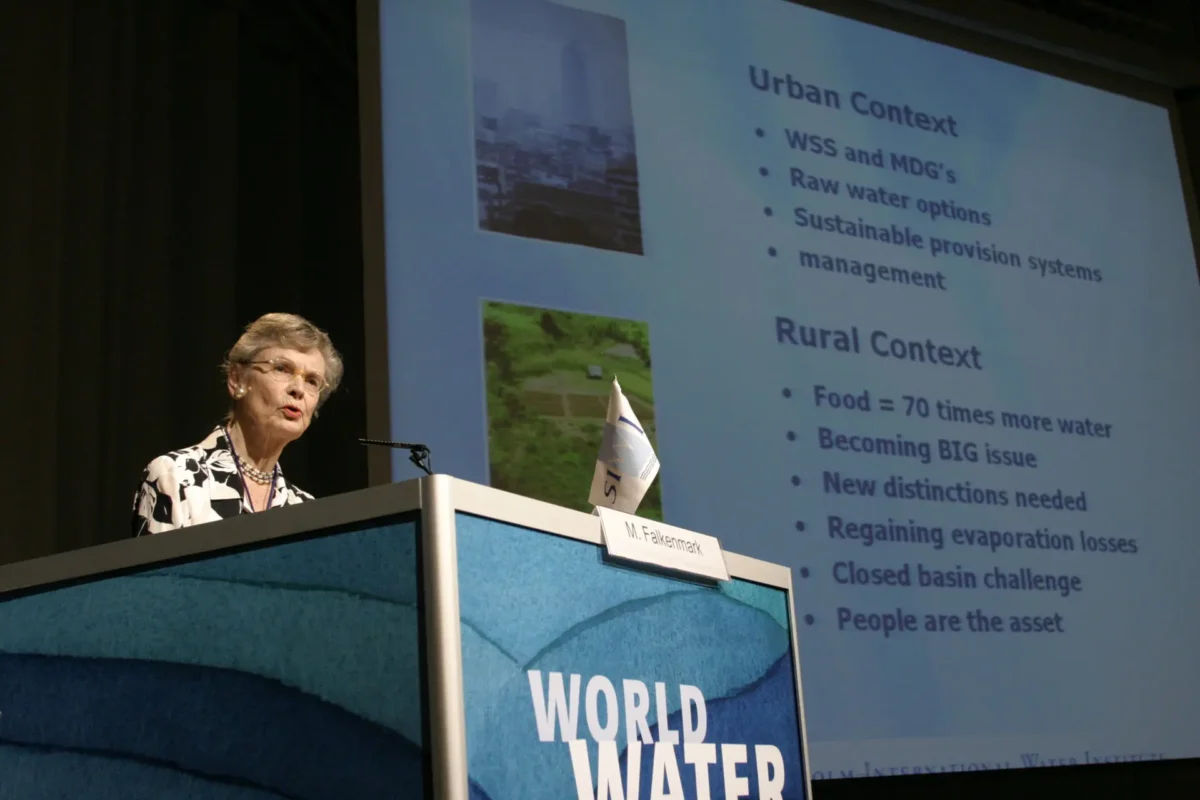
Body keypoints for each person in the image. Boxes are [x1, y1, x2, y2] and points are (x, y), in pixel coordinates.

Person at [131, 312, 343, 537]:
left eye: (312, 381)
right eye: (281, 368)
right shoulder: (175, 477)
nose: (298, 389)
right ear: (236, 379)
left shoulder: (305, 510)